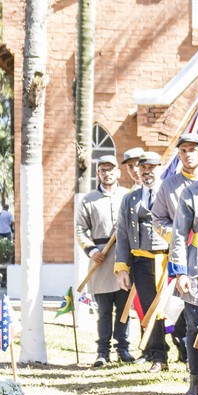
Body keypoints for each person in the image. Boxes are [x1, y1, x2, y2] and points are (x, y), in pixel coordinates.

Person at [75, 155, 134, 367]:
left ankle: (123, 348)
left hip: (124, 259)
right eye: (102, 170)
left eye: (110, 170)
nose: (106, 174)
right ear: (97, 173)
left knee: (123, 308)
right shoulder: (88, 199)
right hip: (100, 260)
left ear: (117, 172)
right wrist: (91, 251)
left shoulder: (128, 196)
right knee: (103, 310)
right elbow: (80, 230)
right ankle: (102, 351)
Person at [153, 131, 198, 370]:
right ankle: (193, 367)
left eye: (192, 150)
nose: (187, 155)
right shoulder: (169, 185)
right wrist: (178, 235)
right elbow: (158, 219)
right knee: (188, 313)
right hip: (184, 256)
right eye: (183, 151)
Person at [115, 152, 170, 373]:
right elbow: (122, 234)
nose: (147, 171)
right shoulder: (130, 199)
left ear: (160, 168)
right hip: (141, 261)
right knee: (149, 310)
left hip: (167, 260)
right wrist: (122, 267)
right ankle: (158, 355)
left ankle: (189, 355)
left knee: (177, 311)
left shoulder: (170, 193)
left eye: (152, 167)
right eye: (143, 167)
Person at [169, 135, 198, 395]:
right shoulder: (191, 192)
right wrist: (180, 271)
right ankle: (196, 382)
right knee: (194, 327)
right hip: (197, 265)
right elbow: (178, 234)